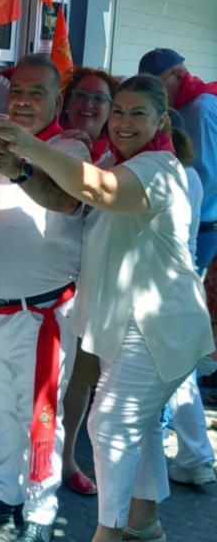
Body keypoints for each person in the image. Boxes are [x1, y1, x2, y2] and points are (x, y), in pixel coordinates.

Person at [0, 74, 215, 542]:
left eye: (138, 113)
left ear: (162, 120)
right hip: (126, 323)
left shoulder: (159, 167)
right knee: (138, 425)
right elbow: (73, 197)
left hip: (154, 327)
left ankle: (107, 534)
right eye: (119, 111)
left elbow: (99, 191)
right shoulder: (115, 157)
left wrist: (30, 146)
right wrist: (20, 170)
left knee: (109, 422)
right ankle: (144, 523)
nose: (124, 121)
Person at [0, 54, 90, 542]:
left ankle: (40, 509)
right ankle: (5, 492)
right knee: (0, 412)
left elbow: (66, 199)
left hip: (42, 317)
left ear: (57, 101)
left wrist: (18, 168)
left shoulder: (69, 146)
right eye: (18, 92)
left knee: (41, 419)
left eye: (37, 93)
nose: (25, 100)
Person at [60, 68, 118, 496]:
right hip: (45, 283)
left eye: (99, 98)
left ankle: (66, 458)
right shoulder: (50, 144)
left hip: (92, 286)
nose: (88, 104)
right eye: (80, 95)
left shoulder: (121, 156)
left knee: (80, 377)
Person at [163, 110, 216, 486]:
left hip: (162, 286)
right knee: (179, 373)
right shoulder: (193, 177)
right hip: (183, 279)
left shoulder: (162, 175)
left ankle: (194, 454)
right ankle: (196, 455)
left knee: (172, 373)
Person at [138, 48, 217, 274]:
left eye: (155, 84)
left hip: (203, 229)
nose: (151, 93)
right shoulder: (182, 106)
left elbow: (208, 178)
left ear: (179, 77)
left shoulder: (200, 108)